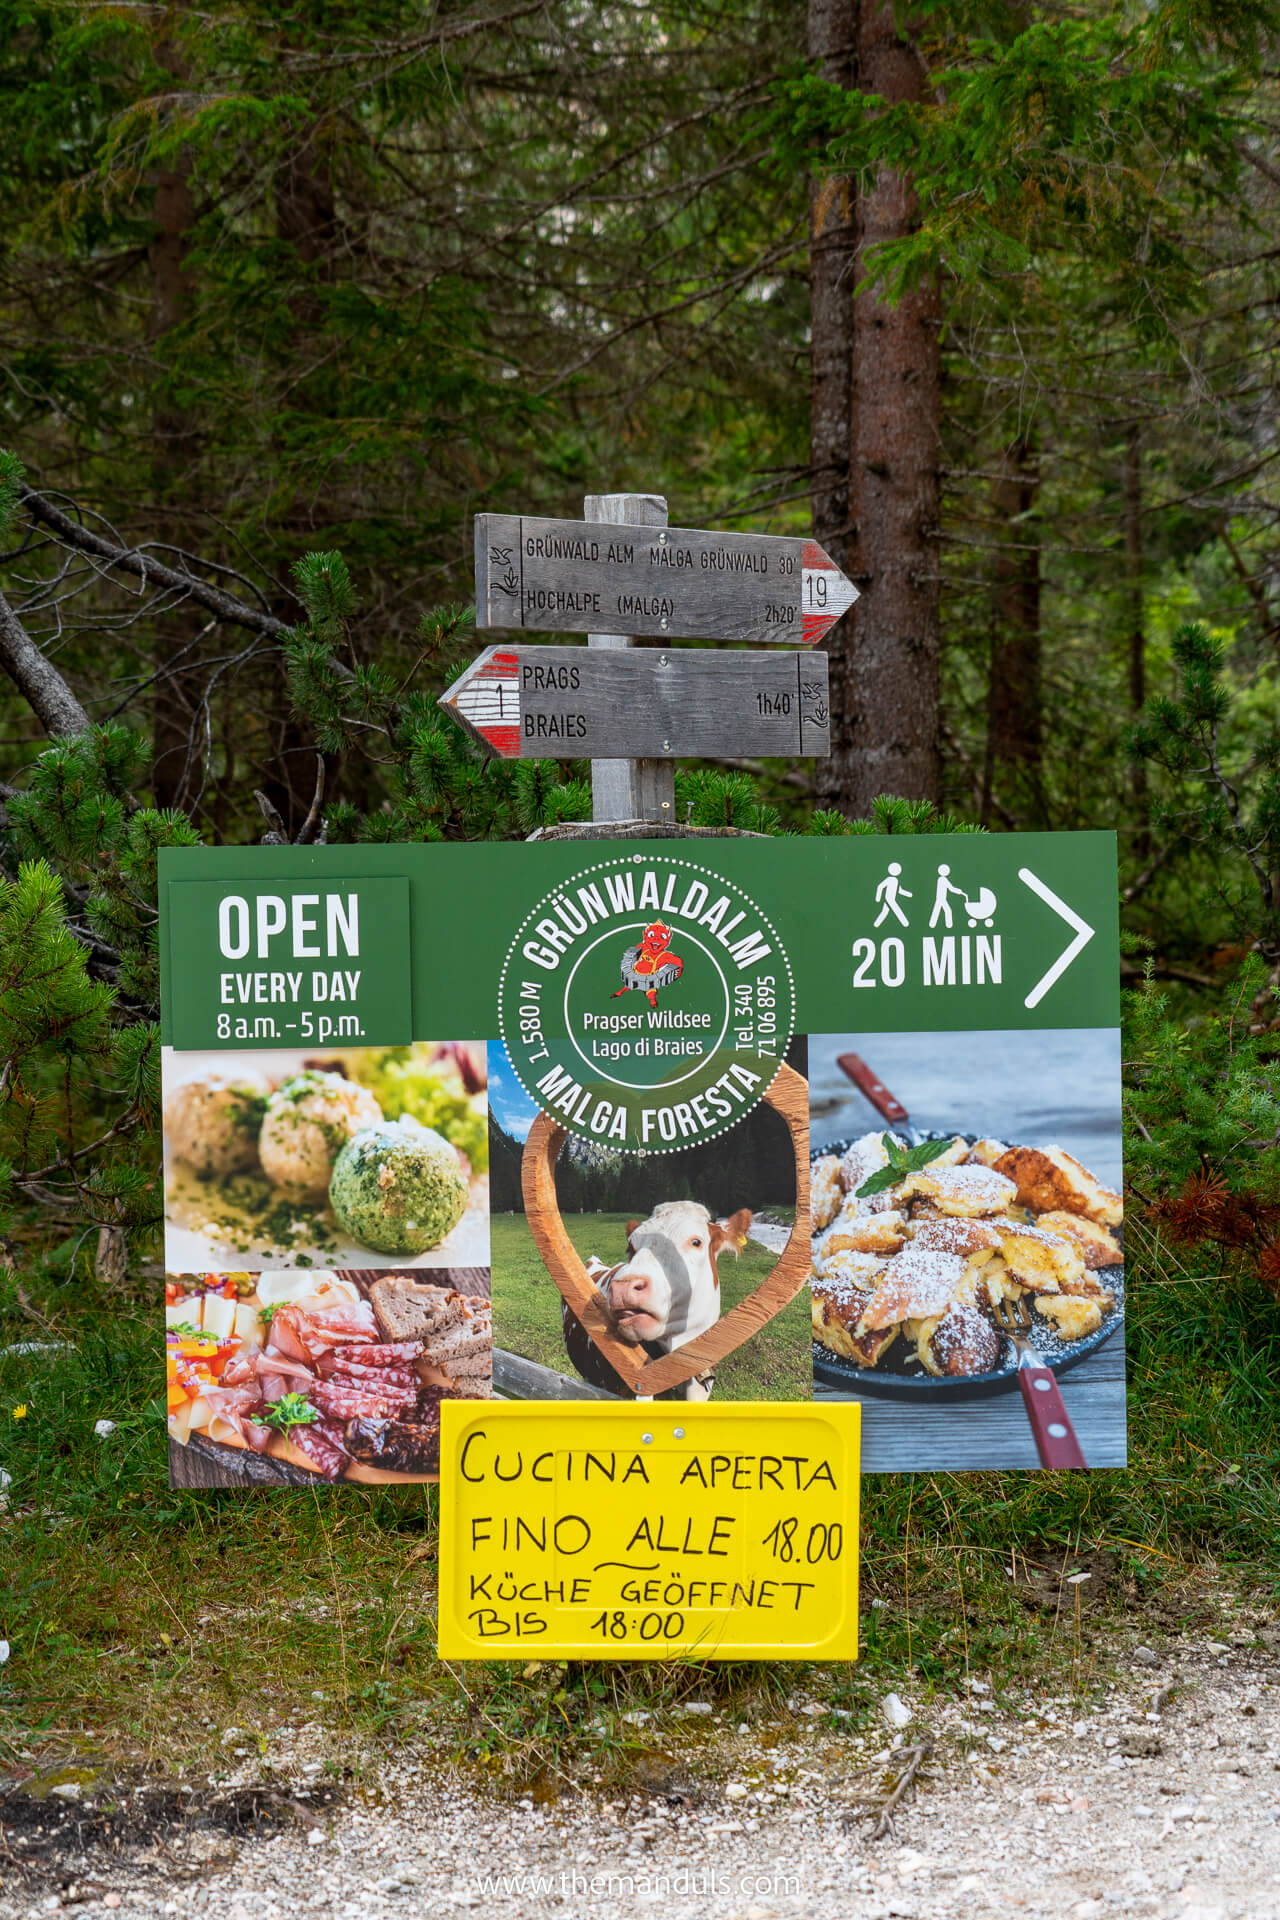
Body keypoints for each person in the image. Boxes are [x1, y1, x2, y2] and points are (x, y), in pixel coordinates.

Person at [873, 861, 912, 928]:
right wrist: (878, 898)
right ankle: (905, 923)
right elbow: (880, 886)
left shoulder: (896, 880)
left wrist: (909, 894)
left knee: (885, 912)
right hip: (889, 899)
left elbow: (899, 890)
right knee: (896, 909)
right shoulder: (889, 879)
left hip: (891, 899)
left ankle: (876, 925)